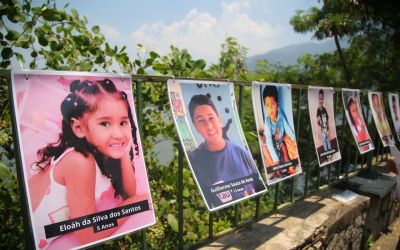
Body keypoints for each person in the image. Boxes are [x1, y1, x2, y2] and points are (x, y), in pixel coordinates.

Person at [29, 79, 147, 249]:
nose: (118, 133)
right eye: (105, 123)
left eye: (123, 122)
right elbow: (87, 233)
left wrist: (123, 152)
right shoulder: (79, 161)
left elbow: (129, 192)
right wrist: (134, 205)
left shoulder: (98, 150)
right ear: (79, 128)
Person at [187, 94, 264, 209]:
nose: (209, 126)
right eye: (201, 121)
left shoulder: (241, 152)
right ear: (195, 127)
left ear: (220, 120)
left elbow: (258, 185)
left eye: (211, 118)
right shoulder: (194, 159)